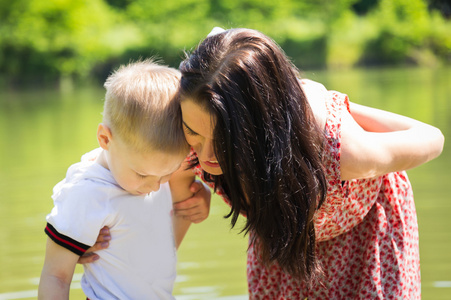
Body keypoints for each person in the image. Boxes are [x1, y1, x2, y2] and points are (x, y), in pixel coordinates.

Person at [175, 28, 444, 299]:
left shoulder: (341, 151)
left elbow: (434, 137)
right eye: (194, 133)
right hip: (284, 235)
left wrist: (335, 104)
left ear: (261, 126)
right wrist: (192, 190)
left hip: (364, 239)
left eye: (225, 141)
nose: (207, 155)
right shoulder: (185, 123)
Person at [38, 60, 211, 300]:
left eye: (166, 174)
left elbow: (162, 250)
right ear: (105, 139)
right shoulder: (87, 192)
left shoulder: (152, 174)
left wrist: (192, 204)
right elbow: (55, 276)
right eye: (143, 174)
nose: (154, 186)